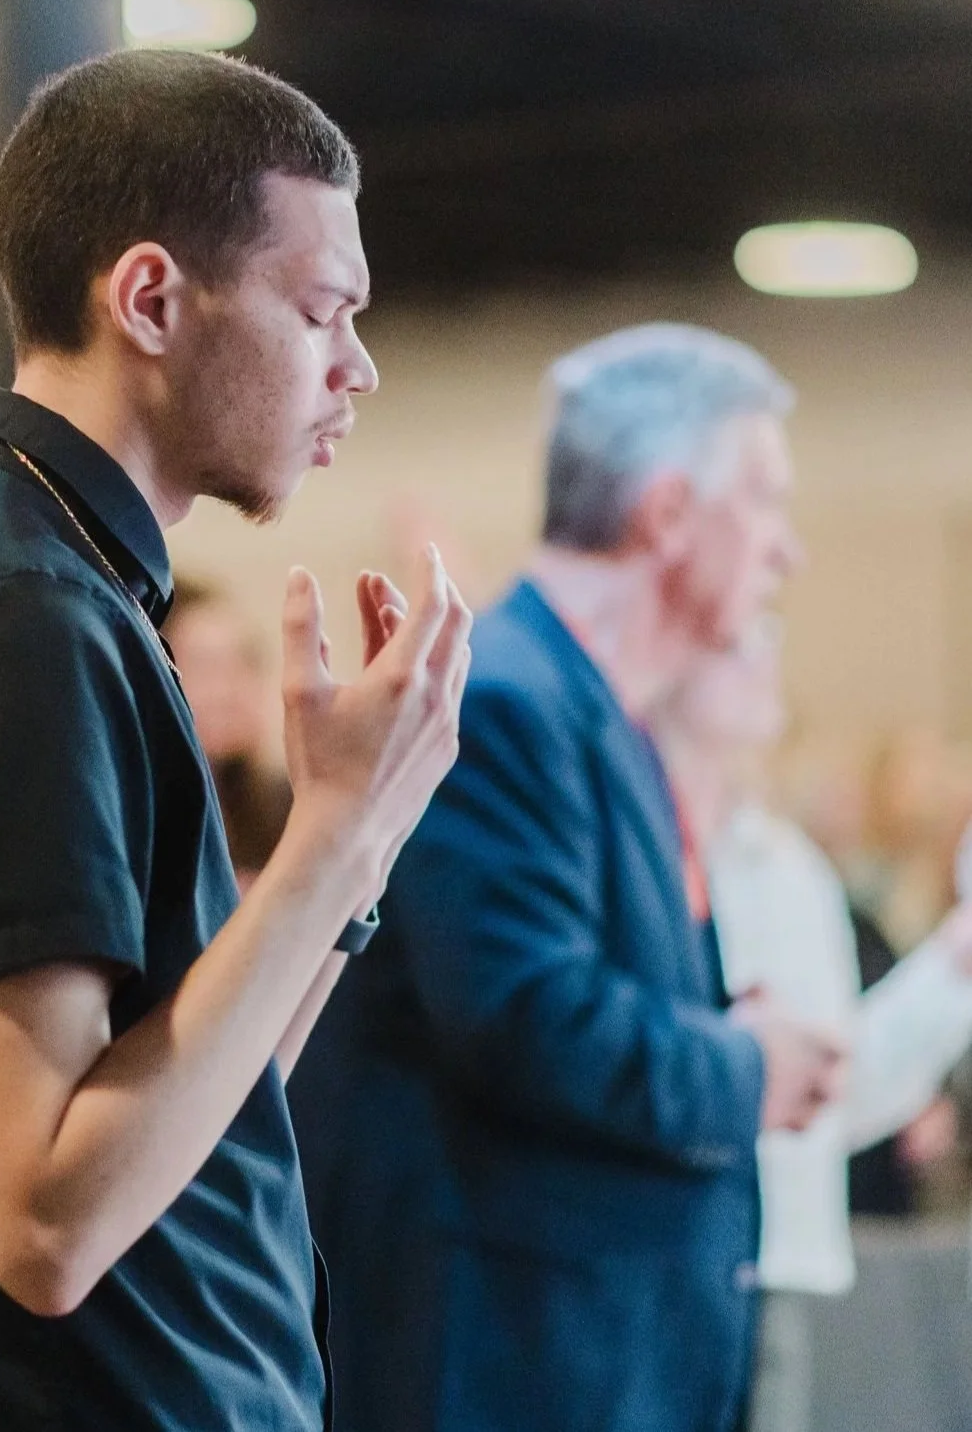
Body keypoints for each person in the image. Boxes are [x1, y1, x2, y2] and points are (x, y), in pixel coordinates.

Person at [0, 47, 472, 1431]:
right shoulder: (8, 613)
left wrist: (356, 841)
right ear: (149, 298)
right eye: (323, 311)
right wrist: (326, 843)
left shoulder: (58, 584)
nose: (357, 368)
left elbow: (199, 1102)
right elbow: (47, 1224)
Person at [291, 322, 843, 1432]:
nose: (786, 550)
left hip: (573, 1347)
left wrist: (717, 1025)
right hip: (506, 1355)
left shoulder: (583, 704)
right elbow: (524, 1019)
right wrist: (742, 1068)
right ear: (667, 512)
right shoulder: (508, 697)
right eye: (764, 502)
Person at [656, 621, 972, 1432]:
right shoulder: (630, 849)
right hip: (652, 1268)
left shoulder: (789, 870)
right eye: (737, 642)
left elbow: (834, 1093)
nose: (767, 658)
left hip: (777, 1268)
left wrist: (954, 963)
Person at [162, 576, 291, 888]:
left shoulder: (284, 802)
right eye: (206, 667)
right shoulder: (143, 818)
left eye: (244, 663)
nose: (229, 690)